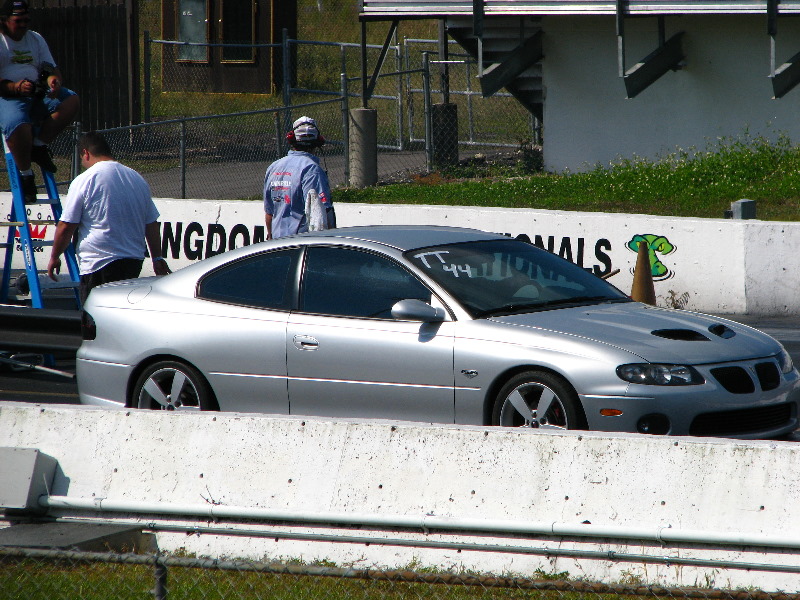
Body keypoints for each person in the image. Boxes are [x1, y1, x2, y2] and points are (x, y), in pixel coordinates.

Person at [47, 131, 170, 304]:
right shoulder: (136, 178)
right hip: (132, 261)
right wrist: (157, 258)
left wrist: (54, 256)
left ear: (86, 153)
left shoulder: (86, 179)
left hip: (99, 261)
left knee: (95, 320)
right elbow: (151, 224)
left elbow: (66, 225)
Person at [0, 0, 79, 204]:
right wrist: (16, 87)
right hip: (8, 97)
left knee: (71, 100)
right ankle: (26, 175)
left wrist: (53, 80)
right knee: (18, 125)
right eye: (19, 21)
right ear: (5, 21)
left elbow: (51, 68)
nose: (24, 24)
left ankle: (38, 145)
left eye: (27, 20)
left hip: (36, 93)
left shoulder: (35, 38)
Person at [263, 115, 334, 239]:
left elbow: (269, 213)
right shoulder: (312, 169)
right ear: (318, 141)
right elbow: (322, 213)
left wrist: (270, 237)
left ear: (292, 139)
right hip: (302, 245)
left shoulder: (273, 167)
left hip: (277, 244)